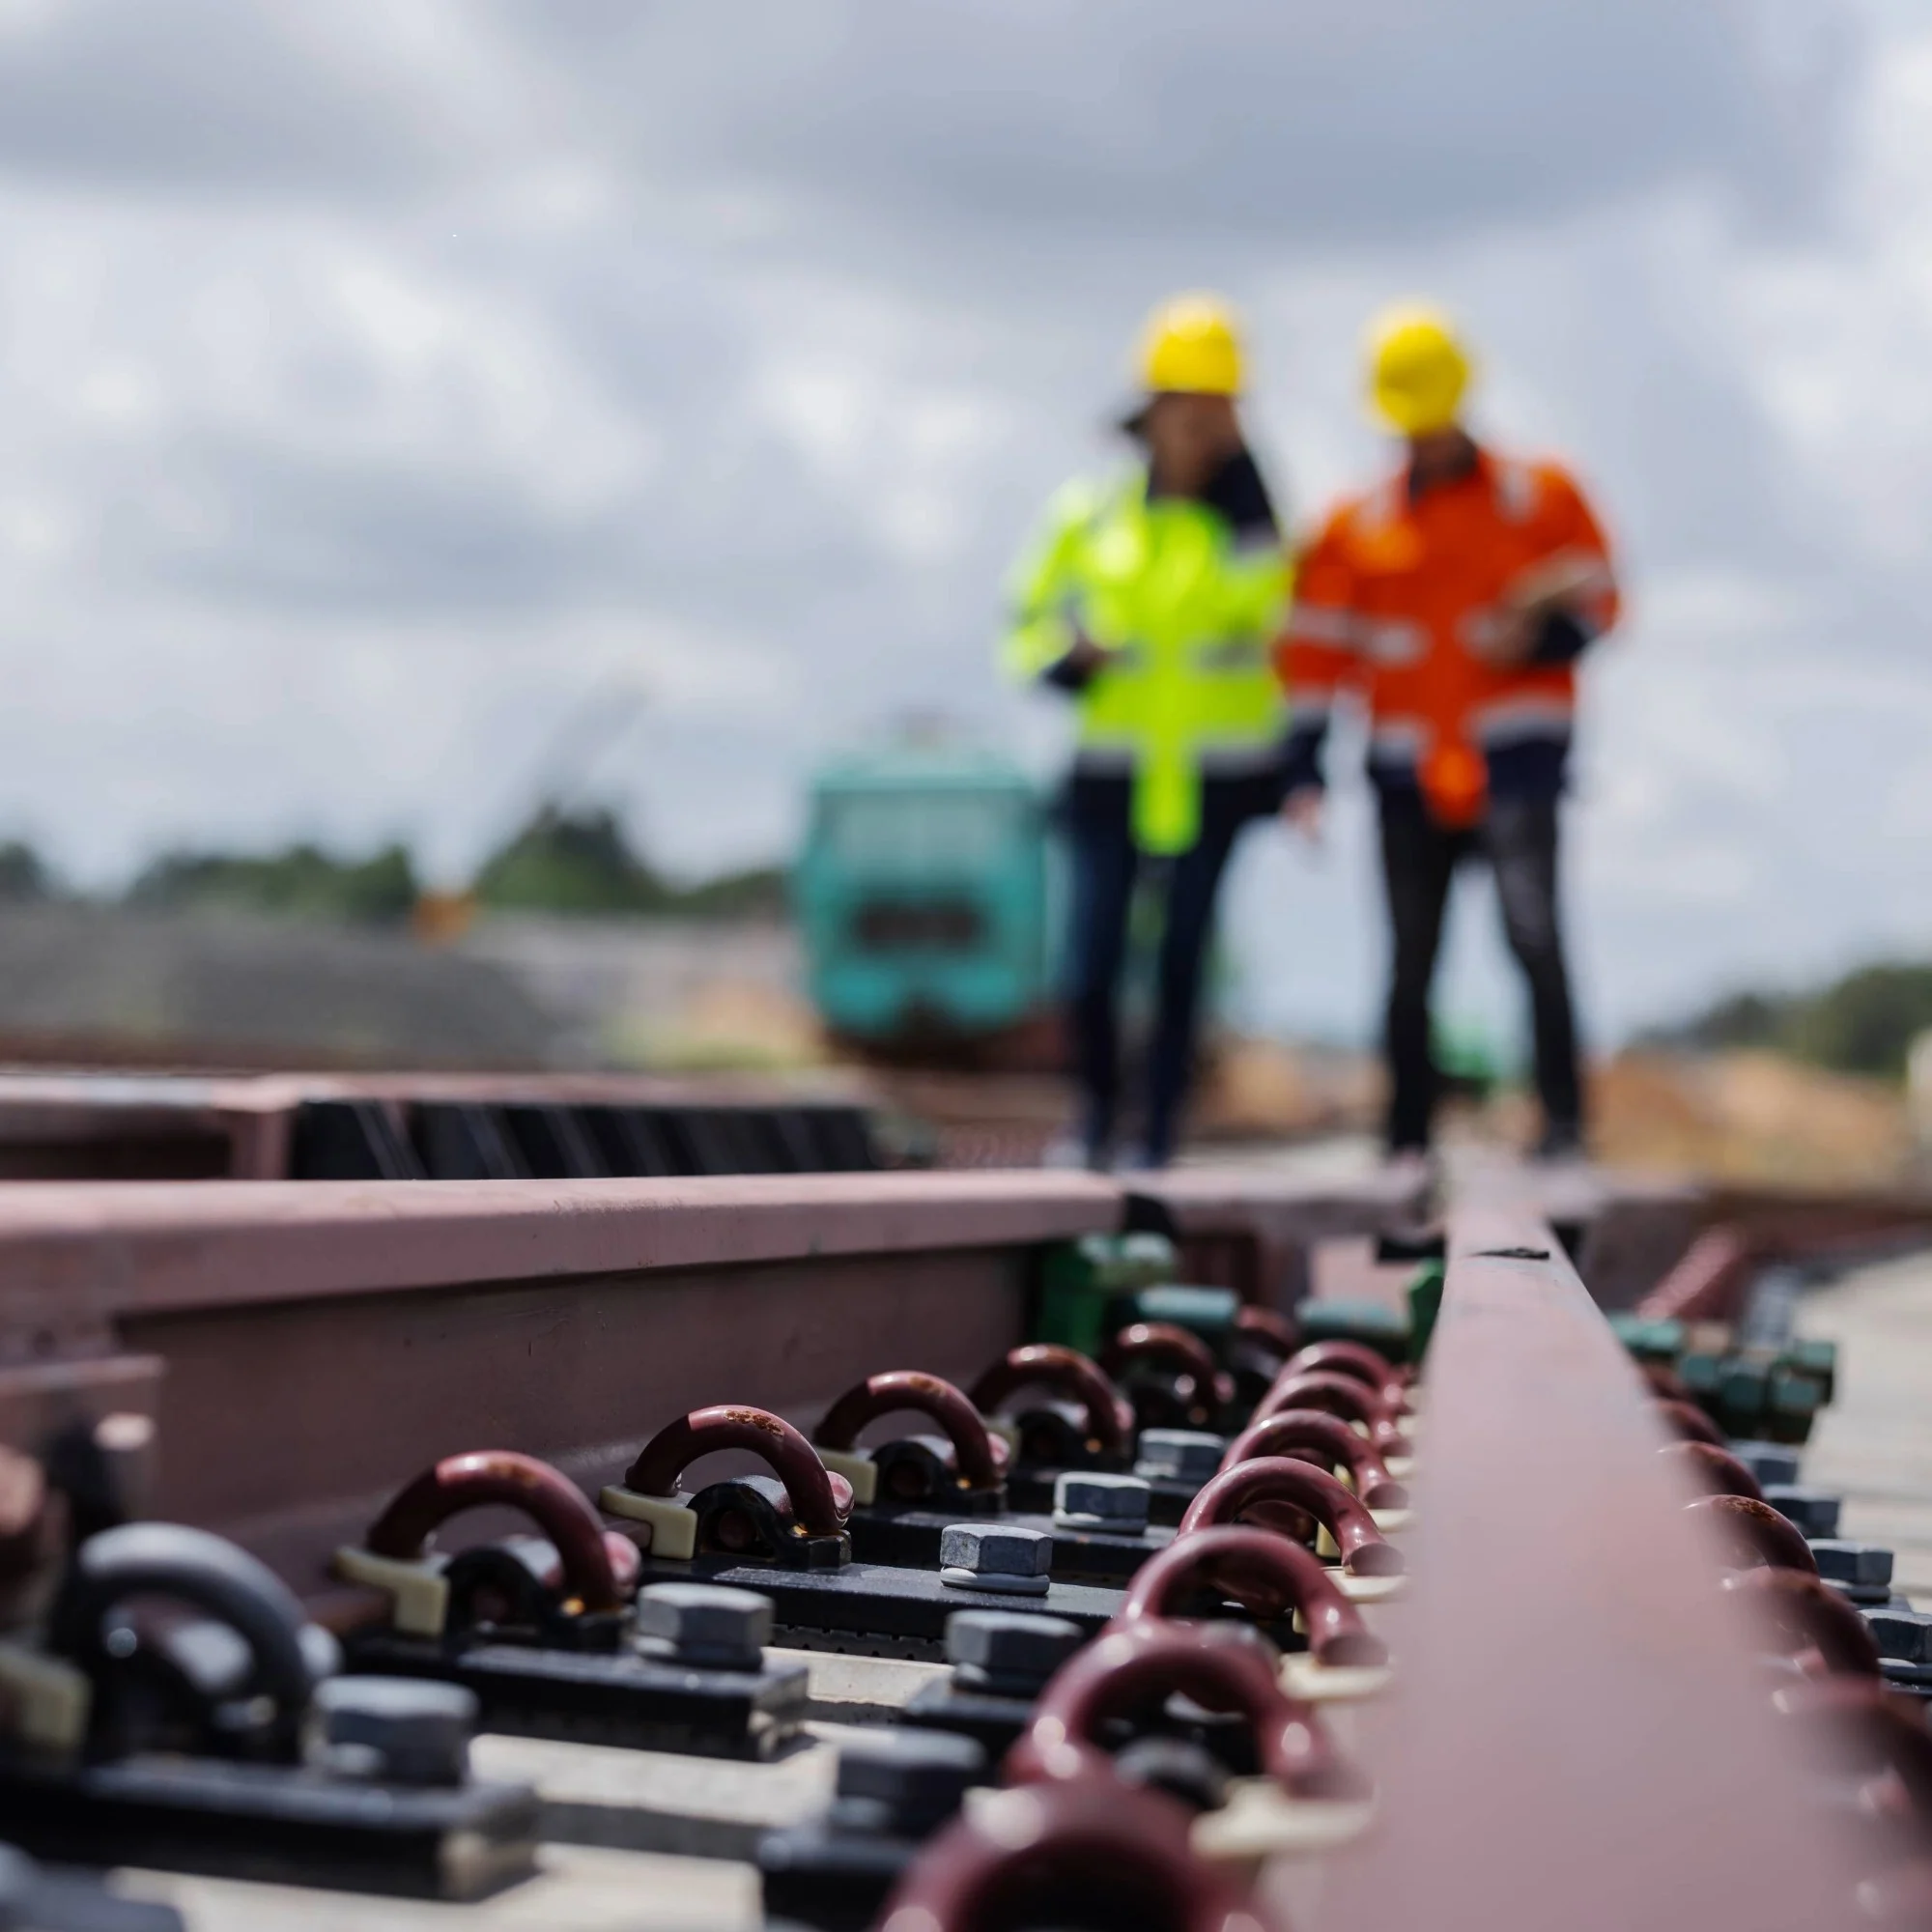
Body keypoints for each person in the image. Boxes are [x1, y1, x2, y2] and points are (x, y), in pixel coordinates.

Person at [1276, 306, 1620, 1161]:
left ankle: (1563, 1125)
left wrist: (1536, 635)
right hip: (1404, 770)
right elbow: (1314, 655)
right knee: (1410, 962)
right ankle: (1405, 1138)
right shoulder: (1354, 528)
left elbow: (1605, 599)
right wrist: (1302, 768)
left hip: (1518, 761)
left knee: (1533, 936)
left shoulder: (1542, 497)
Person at [1003, 294, 1292, 1171]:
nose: (1202, 426)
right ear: (1151, 410)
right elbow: (1025, 622)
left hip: (1214, 776)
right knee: (1088, 966)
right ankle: (1092, 1120)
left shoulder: (1253, 527)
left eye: (1219, 410)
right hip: (1111, 770)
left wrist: (1249, 504)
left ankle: (1157, 1135)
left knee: (1180, 967)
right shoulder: (1088, 515)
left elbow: (1275, 612)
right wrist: (1068, 655)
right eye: (1188, 406)